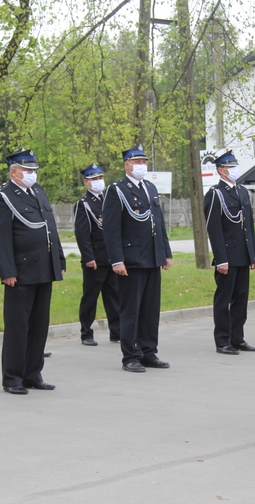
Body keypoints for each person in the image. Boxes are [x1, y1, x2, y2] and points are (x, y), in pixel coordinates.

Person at [0, 148, 66, 395]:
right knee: (18, 325)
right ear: (14, 171)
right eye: (28, 170)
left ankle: (33, 373)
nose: (33, 174)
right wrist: (7, 271)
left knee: (39, 324)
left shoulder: (38, 192)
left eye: (34, 170)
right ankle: (12, 377)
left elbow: (50, 230)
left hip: (43, 267)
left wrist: (59, 260)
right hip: (21, 270)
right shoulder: (3, 196)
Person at [102, 144, 172, 373]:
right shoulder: (117, 190)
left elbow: (158, 222)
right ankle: (130, 355)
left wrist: (166, 252)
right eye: (137, 162)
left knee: (151, 309)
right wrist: (117, 260)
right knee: (131, 309)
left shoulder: (150, 187)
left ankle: (148, 352)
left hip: (152, 256)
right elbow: (111, 229)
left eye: (144, 162)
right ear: (127, 165)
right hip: (131, 259)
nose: (142, 166)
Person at [203, 150, 255, 355]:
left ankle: (238, 338)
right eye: (230, 167)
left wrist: (253, 254)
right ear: (220, 170)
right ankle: (222, 340)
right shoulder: (215, 194)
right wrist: (221, 258)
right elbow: (214, 229)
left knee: (241, 299)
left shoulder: (242, 192)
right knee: (224, 300)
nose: (235, 170)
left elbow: (249, 226)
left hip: (243, 255)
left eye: (235, 166)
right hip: (227, 256)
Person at [73, 163, 121, 346]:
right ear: (86, 182)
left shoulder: (108, 200)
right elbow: (82, 234)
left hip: (111, 258)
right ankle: (86, 333)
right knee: (90, 298)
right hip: (95, 259)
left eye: (100, 178)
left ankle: (116, 332)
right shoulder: (83, 204)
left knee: (114, 296)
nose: (98, 182)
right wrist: (88, 257)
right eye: (94, 179)